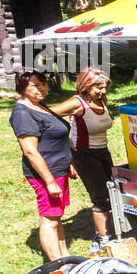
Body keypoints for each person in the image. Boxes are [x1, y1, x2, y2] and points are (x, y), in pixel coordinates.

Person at [11, 70, 76, 260]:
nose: (41, 89)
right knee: (49, 220)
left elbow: (52, 137)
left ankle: (65, 256)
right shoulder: (23, 112)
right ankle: (58, 266)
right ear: (23, 88)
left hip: (58, 168)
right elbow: (30, 151)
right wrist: (49, 181)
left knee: (56, 217)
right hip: (45, 173)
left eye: (43, 84)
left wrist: (68, 161)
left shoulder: (38, 106)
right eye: (35, 85)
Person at [49, 67, 114, 245]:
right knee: (101, 196)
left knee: (112, 189)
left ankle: (107, 230)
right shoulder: (77, 103)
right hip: (84, 155)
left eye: (105, 87)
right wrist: (65, 137)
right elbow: (47, 115)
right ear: (86, 85)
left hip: (103, 151)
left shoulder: (101, 100)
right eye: (98, 87)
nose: (103, 91)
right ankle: (103, 239)